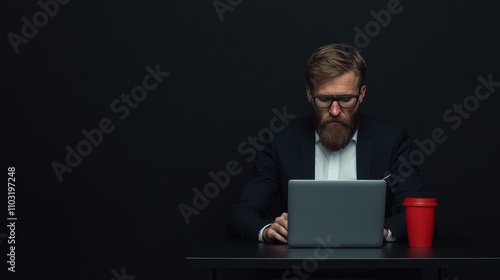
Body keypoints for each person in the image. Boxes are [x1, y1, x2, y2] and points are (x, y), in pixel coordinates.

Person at [228, 43, 426, 244]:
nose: (334, 111)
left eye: (346, 99)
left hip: (369, 270)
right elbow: (242, 213)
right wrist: (268, 230)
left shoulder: (391, 140)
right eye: (323, 99)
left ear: (362, 94)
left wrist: (381, 232)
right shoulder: (281, 141)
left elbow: (419, 213)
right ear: (309, 94)